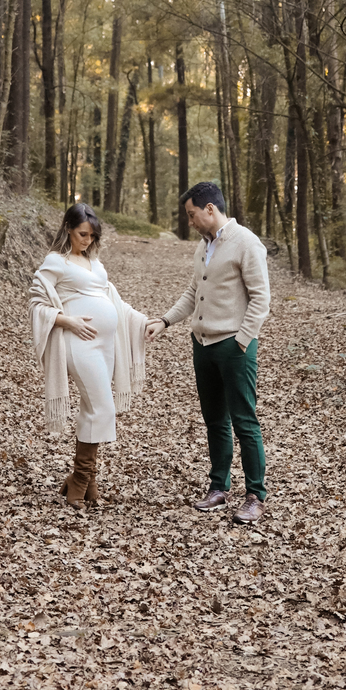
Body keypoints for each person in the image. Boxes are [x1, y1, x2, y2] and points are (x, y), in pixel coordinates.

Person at [146, 180, 270, 524]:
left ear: (210, 209)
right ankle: (219, 486)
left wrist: (243, 340)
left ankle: (255, 495)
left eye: (192, 214)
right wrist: (165, 321)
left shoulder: (246, 243)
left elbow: (261, 298)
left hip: (234, 347)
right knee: (215, 420)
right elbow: (192, 292)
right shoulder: (203, 247)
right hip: (202, 346)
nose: (190, 221)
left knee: (244, 421)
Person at [30, 202, 149, 510]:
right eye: (83, 234)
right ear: (68, 228)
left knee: (91, 409)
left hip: (106, 345)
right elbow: (36, 302)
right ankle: (81, 479)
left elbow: (112, 300)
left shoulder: (95, 264)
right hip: (78, 343)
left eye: (92, 236)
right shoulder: (56, 261)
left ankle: (85, 481)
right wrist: (66, 320)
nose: (87, 240)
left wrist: (142, 321)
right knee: (102, 407)